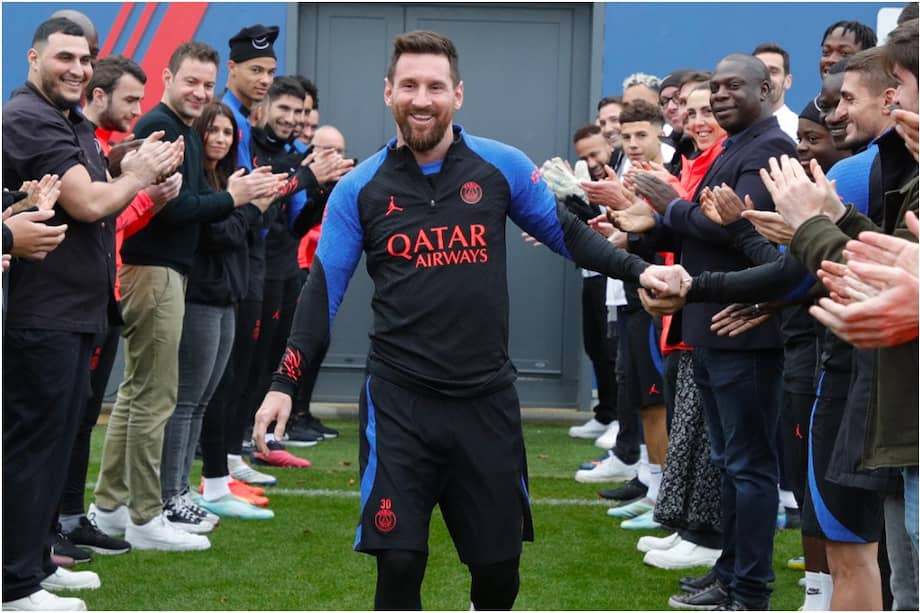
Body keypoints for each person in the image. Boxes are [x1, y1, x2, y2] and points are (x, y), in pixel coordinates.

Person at [252, 30, 680, 610]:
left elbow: (569, 235)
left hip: (485, 401)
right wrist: (283, 384)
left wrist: (638, 272)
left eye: (434, 86)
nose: (421, 99)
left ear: (457, 93)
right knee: (398, 565)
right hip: (399, 403)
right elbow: (321, 291)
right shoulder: (359, 188)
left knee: (497, 572)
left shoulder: (501, 166)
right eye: (409, 85)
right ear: (388, 93)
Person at [2, 16, 180, 610]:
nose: (78, 68)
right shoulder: (27, 116)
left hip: (74, 308)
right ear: (33, 57)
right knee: (31, 446)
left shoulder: (69, 117)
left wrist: (132, 162)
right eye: (65, 57)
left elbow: (101, 181)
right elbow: (89, 201)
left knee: (55, 444)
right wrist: (138, 176)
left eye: (87, 58)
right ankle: (14, 583)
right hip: (40, 311)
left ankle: (35, 562)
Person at [90, 40, 286, 552]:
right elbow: (170, 207)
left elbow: (185, 202)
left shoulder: (182, 129)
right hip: (152, 272)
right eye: (190, 82)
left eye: (206, 84)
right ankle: (144, 516)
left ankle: (110, 509)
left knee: (139, 396)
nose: (200, 92)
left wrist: (230, 198)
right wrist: (234, 197)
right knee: (152, 398)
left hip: (164, 272)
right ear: (167, 76)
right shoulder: (160, 126)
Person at [630, 53, 798, 611]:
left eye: (733, 87)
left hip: (743, 331)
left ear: (767, 89)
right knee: (729, 464)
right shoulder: (732, 146)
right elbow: (710, 228)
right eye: (715, 87)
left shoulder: (770, 147)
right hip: (710, 325)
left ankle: (750, 590)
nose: (721, 96)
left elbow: (738, 230)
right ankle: (729, 574)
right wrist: (658, 220)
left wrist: (671, 207)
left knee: (749, 468)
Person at [159, 101, 275, 524]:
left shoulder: (226, 180)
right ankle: (171, 494)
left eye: (228, 133)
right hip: (202, 296)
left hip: (227, 296)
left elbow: (243, 228)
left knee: (203, 399)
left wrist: (254, 201)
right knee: (187, 399)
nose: (221, 139)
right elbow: (218, 234)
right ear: (200, 135)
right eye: (214, 131)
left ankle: (184, 490)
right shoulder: (206, 187)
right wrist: (248, 206)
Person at [753, 43, 798, 140]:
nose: (766, 78)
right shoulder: (736, 128)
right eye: (759, 71)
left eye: (773, 72)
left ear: (788, 81)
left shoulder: (797, 131)